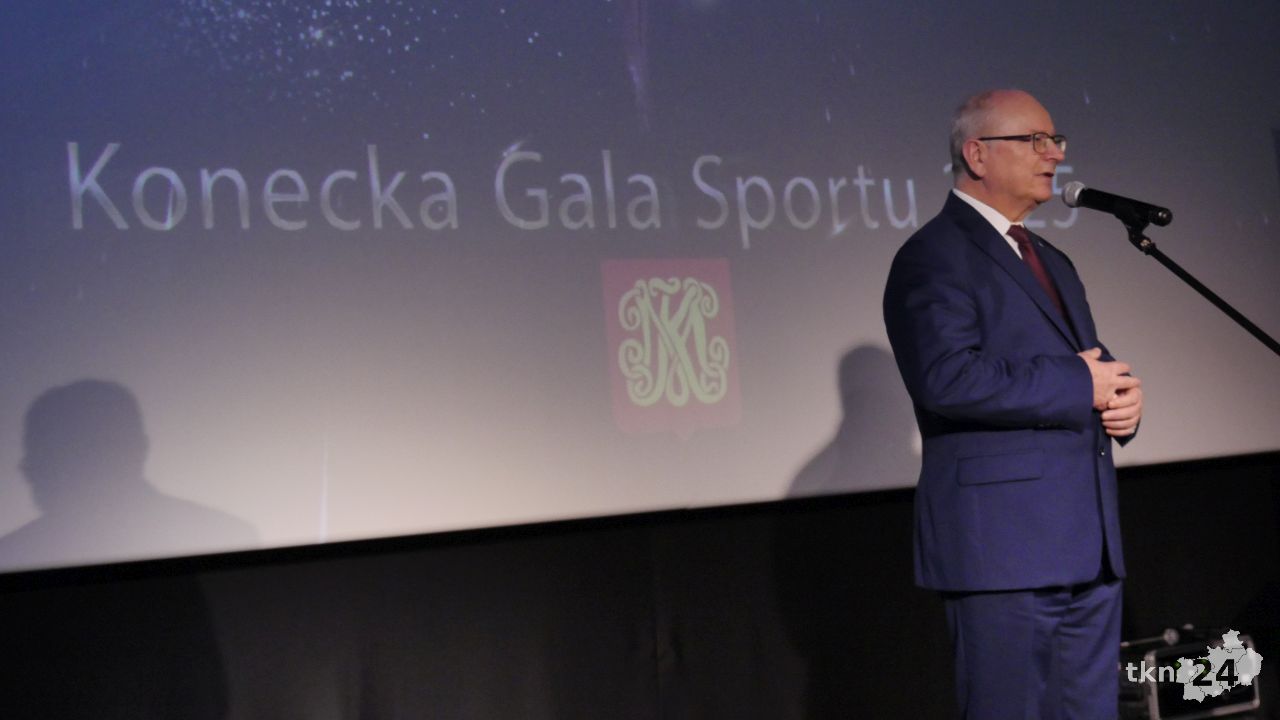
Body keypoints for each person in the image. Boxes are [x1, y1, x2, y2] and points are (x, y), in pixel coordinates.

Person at [882, 89, 1143, 718]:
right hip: (1003, 550)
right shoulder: (932, 256)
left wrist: (1121, 401)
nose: (1053, 155)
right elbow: (947, 378)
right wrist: (1080, 384)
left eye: (1056, 141)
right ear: (977, 154)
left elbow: (1088, 364)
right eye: (1034, 140)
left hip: (1086, 545)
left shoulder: (1050, 258)